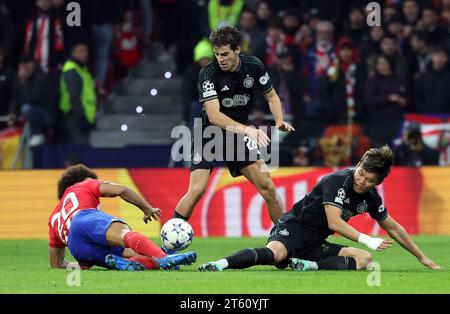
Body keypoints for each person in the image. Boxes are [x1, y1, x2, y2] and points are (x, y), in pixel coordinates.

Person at [198, 146, 440, 272]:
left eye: (369, 180)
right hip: (293, 229)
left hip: (314, 244)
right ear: (358, 165)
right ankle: (220, 264)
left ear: (378, 183)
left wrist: (422, 257)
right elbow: (334, 223)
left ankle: (309, 265)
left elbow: (394, 228)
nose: (361, 181)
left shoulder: (372, 199)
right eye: (361, 173)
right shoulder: (337, 180)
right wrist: (368, 239)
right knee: (275, 255)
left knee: (364, 259)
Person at [173, 26, 294, 226]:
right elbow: (214, 116)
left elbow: (272, 96)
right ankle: (167, 246)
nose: (220, 58)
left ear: (237, 49)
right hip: (208, 133)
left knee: (268, 188)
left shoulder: (253, 66)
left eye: (225, 54)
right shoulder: (208, 73)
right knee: (197, 191)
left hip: (236, 135)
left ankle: (286, 240)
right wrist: (247, 130)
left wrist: (279, 120)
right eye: (217, 54)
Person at [48, 164, 197, 271]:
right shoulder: (83, 186)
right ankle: (163, 257)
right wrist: (147, 209)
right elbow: (121, 189)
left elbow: (56, 264)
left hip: (77, 249)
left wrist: (76, 266)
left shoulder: (53, 218)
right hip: (82, 221)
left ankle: (134, 262)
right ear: (80, 181)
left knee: (129, 256)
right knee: (124, 234)